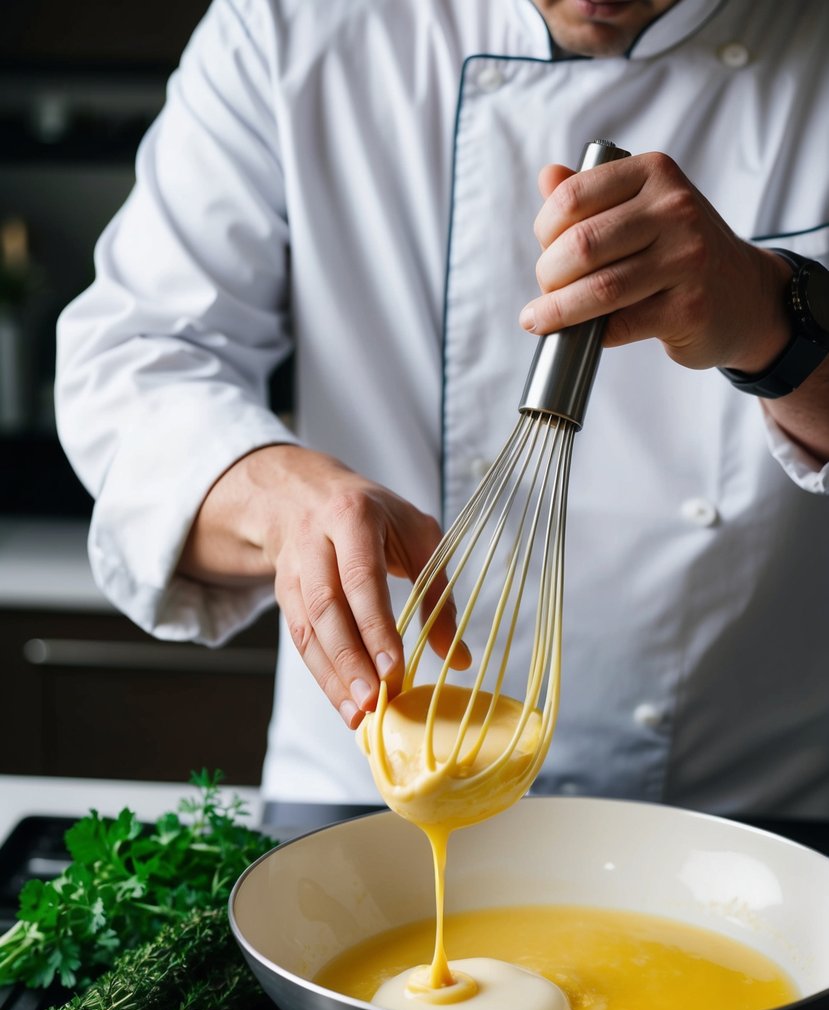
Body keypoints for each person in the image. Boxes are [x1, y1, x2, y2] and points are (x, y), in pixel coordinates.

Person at [55, 0, 829, 822]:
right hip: (366, 795)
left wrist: (776, 319)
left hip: (745, 815)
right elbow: (135, 362)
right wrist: (280, 500)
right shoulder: (290, 25)